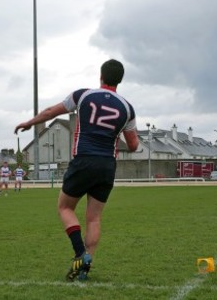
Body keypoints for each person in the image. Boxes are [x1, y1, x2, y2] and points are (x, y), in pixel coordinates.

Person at [15, 59, 139, 282]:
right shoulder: (127, 109)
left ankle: (80, 253)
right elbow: (133, 146)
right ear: (120, 80)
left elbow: (52, 111)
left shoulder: (83, 95)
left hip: (84, 160)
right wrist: (116, 132)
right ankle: (85, 266)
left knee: (64, 207)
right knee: (94, 218)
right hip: (107, 166)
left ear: (100, 75)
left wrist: (29, 123)